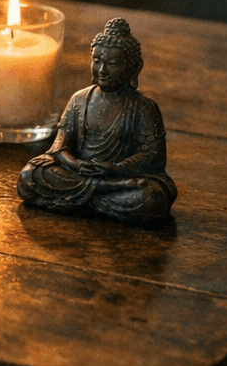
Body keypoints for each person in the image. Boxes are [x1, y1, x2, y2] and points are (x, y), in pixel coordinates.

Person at [17, 18, 177, 223]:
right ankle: (103, 194)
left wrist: (115, 168)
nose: (102, 70)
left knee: (152, 197)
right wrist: (76, 164)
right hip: (83, 174)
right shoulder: (79, 99)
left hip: (120, 176)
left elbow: (153, 156)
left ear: (134, 67)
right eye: (97, 60)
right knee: (30, 175)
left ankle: (87, 198)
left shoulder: (143, 107)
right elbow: (59, 148)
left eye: (112, 64)